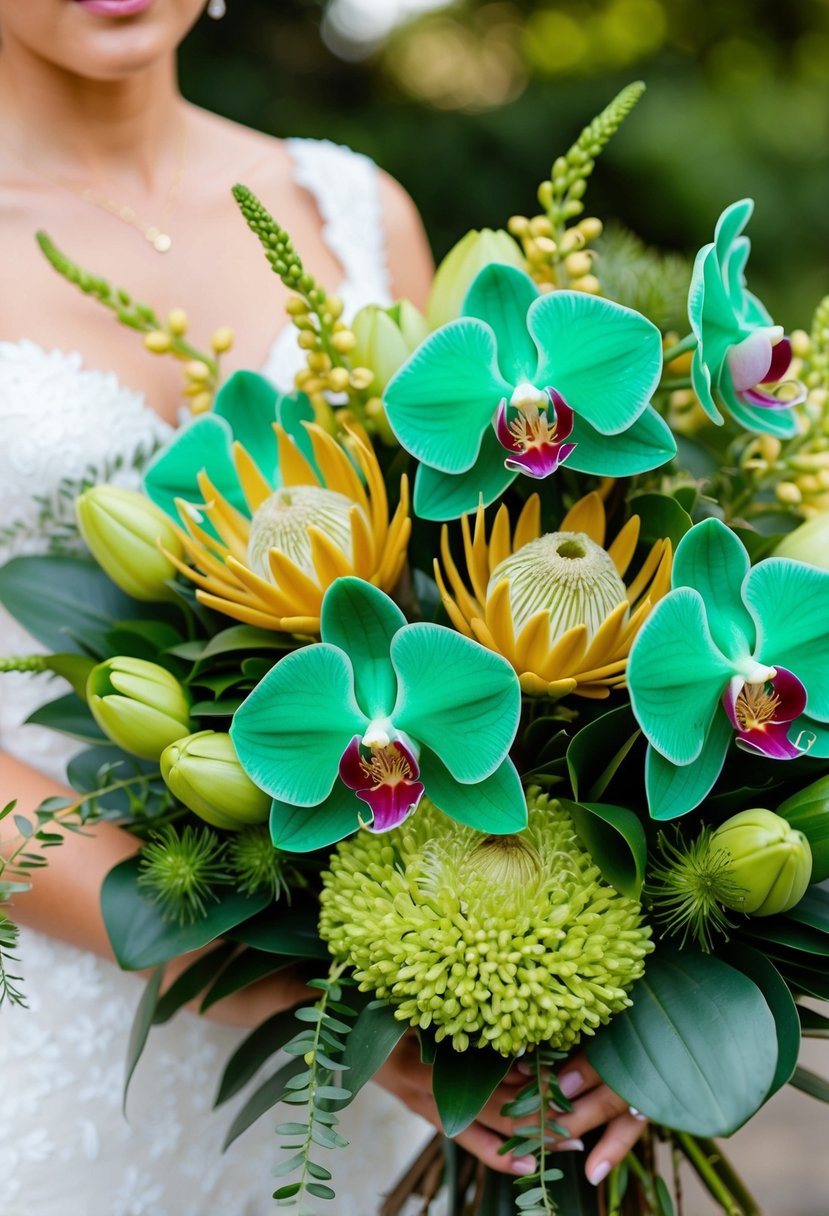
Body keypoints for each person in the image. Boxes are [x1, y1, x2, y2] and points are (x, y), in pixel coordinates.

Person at [0, 2, 646, 1212]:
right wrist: (292, 995)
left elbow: (474, 584)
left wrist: (612, 995)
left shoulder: (346, 207)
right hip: (67, 1010)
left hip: (398, 1058)